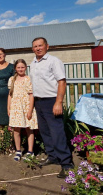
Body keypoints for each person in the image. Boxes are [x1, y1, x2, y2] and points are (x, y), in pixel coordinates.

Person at [29, 37, 73, 178]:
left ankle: (66, 163)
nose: (38, 48)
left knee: (57, 132)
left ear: (47, 46)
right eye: (35, 46)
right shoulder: (33, 63)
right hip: (38, 102)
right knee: (45, 132)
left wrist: (58, 102)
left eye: (40, 45)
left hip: (51, 101)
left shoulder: (54, 61)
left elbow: (62, 82)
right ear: (32, 49)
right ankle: (52, 156)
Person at [7, 59, 38, 161]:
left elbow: (31, 95)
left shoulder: (28, 79)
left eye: (22, 67)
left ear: (25, 68)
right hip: (16, 108)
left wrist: (30, 110)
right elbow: (10, 95)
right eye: (18, 67)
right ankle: (18, 151)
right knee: (16, 130)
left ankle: (30, 151)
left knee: (29, 129)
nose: (20, 69)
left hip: (26, 107)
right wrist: (8, 107)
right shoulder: (12, 79)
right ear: (15, 68)